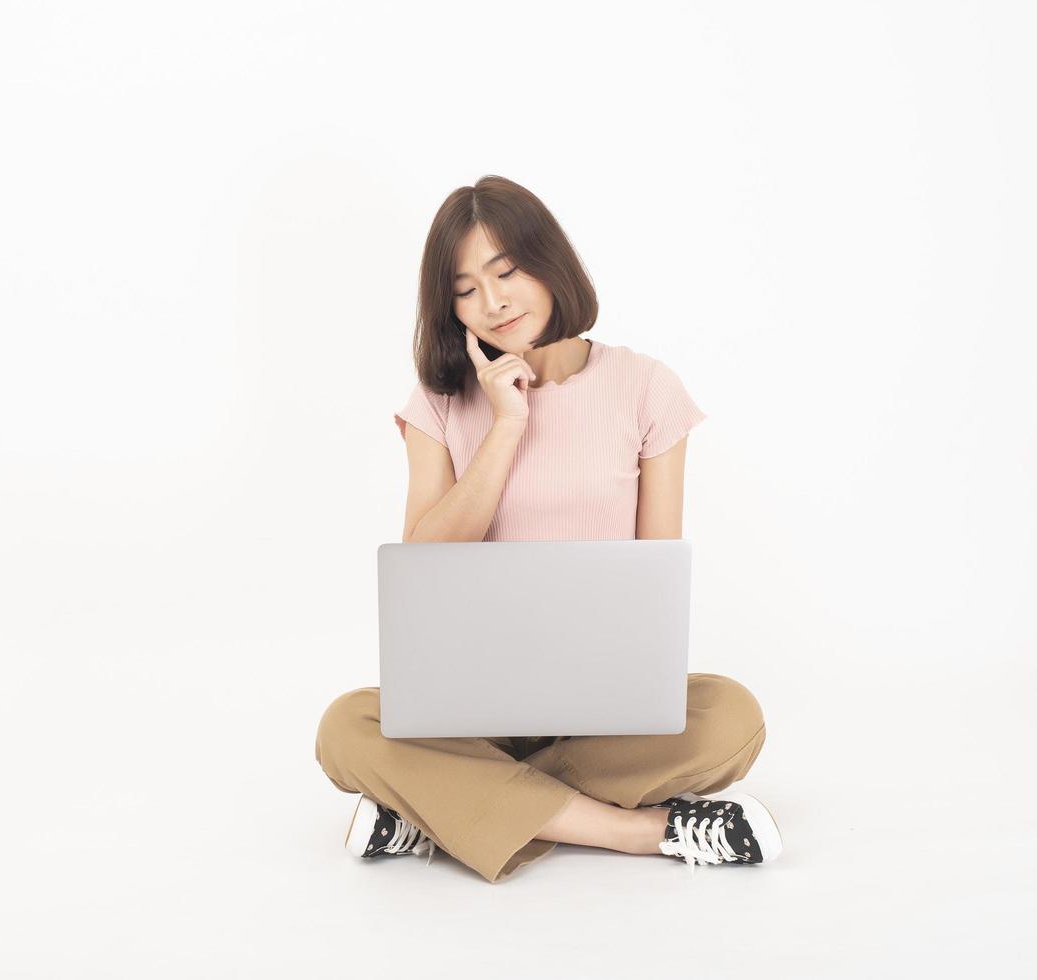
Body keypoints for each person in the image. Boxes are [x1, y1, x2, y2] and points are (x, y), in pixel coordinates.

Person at [313, 175, 782, 884]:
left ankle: (441, 804)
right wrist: (506, 425)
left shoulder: (646, 386)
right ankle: (639, 832)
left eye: (506, 272)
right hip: (470, 706)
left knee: (732, 718)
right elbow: (425, 566)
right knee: (344, 729)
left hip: (605, 708)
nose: (493, 302)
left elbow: (655, 578)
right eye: (466, 288)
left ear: (550, 263)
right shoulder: (438, 404)